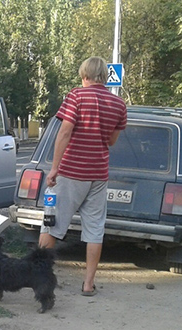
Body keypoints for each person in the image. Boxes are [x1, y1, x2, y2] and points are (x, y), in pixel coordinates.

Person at [38, 56, 127, 296]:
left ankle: (38, 276)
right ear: (104, 76)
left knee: (51, 223)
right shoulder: (119, 104)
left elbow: (65, 132)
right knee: (95, 230)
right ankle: (88, 284)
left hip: (71, 172)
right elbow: (111, 141)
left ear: (84, 74)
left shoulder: (76, 96)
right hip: (98, 174)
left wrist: (54, 168)